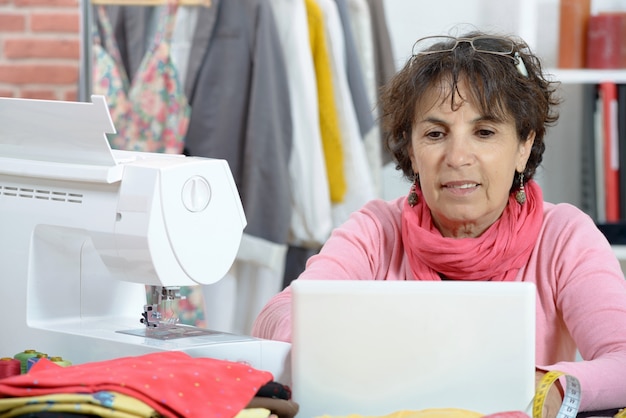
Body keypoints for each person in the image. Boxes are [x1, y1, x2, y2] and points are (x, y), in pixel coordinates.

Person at [251, 30, 626, 417]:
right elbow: (277, 315)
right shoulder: (376, 229)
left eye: (484, 132)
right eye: (435, 134)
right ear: (411, 151)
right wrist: (308, 338)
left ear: (523, 146)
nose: (457, 156)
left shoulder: (564, 236)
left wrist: (556, 386)